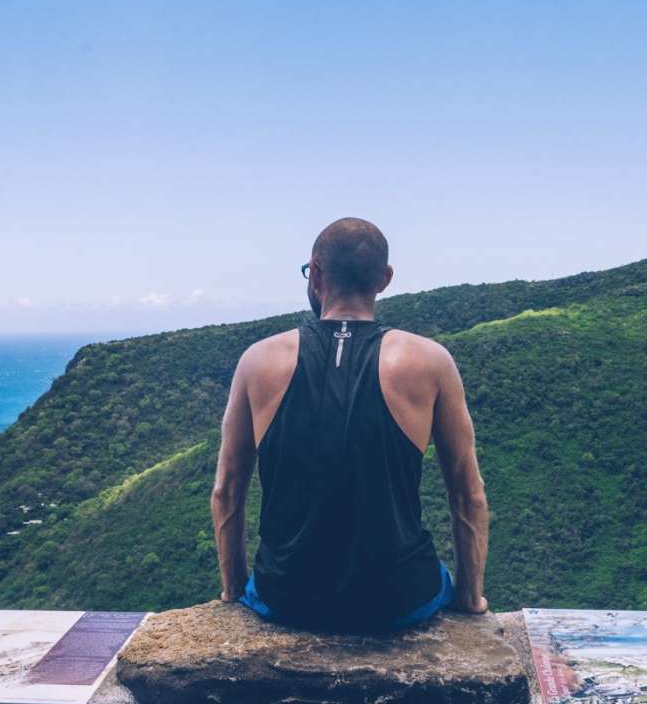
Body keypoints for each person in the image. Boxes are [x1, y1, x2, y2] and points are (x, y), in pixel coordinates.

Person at [210, 217, 490, 632]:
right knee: (432, 577)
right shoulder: (430, 361)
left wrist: (235, 590)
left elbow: (227, 490)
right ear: (385, 279)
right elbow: (468, 494)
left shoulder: (258, 360)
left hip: (284, 596)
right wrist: (470, 598)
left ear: (316, 274)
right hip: (400, 598)